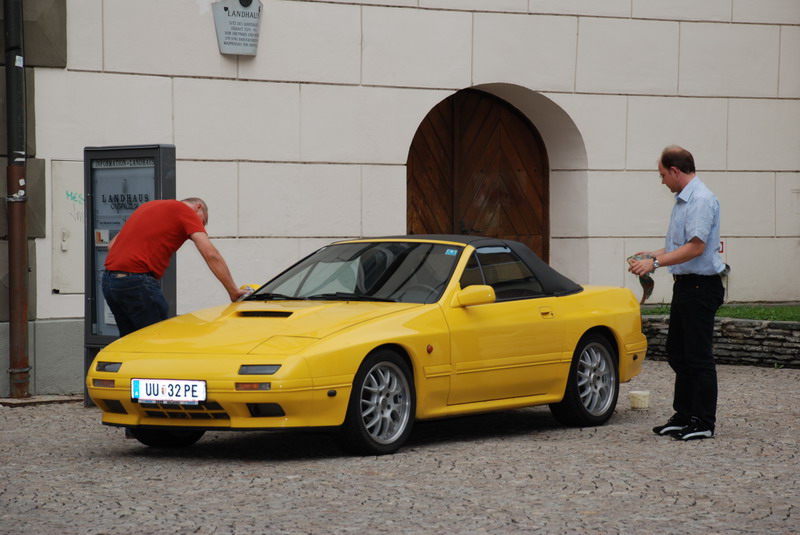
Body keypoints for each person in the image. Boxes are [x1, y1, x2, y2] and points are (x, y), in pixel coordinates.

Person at [628, 146, 726, 441]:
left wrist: (655, 263)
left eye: (662, 175)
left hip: (701, 287)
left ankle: (703, 421)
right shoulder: (684, 200)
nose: (662, 181)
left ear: (675, 170)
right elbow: (678, 247)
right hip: (686, 285)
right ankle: (684, 415)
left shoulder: (701, 200)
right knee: (678, 353)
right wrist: (651, 255)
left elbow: (696, 247)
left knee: (697, 357)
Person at [102, 197, 248, 337]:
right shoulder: (186, 211)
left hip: (110, 282)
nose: (200, 227)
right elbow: (211, 255)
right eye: (203, 222)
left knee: (130, 342)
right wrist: (233, 291)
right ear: (198, 207)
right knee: (157, 340)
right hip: (137, 282)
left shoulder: (147, 207)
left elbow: (112, 245)